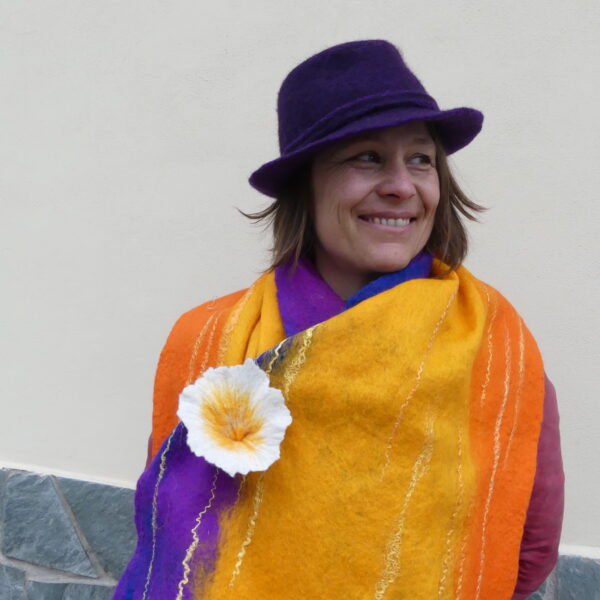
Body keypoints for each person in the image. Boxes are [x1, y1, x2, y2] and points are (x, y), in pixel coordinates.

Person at [114, 40, 564, 600]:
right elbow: (168, 522)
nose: (402, 185)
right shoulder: (210, 338)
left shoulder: (495, 348)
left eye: (421, 159)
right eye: (367, 157)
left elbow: (528, 546)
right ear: (307, 183)